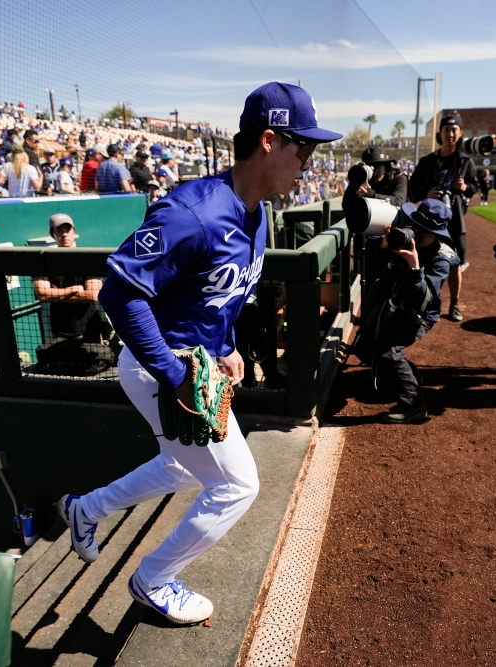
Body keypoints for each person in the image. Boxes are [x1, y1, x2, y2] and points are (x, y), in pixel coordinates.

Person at [56, 82, 341, 625]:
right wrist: (172, 375)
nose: (308, 161)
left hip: (194, 362)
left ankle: (83, 509)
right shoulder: (193, 212)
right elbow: (119, 292)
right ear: (268, 141)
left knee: (184, 468)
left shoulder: (256, 214)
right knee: (237, 484)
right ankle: (153, 579)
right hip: (155, 364)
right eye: (301, 149)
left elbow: (215, 296)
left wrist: (227, 346)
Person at [357, 200, 459, 423]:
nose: (420, 235)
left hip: (418, 314)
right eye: (418, 227)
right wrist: (384, 243)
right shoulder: (403, 236)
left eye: (428, 232)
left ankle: (414, 405)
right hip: (394, 304)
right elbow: (365, 250)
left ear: (438, 234)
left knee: (385, 350)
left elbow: (422, 300)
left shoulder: (441, 258)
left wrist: (415, 267)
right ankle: (409, 376)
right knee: (365, 349)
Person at [410, 112, 478, 322]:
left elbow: (475, 187)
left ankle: (454, 305)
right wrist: (426, 194)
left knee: (455, 264)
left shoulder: (466, 162)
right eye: (446, 129)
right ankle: (420, 303)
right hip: (428, 221)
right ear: (440, 133)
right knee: (422, 259)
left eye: (454, 129)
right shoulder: (428, 161)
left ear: (460, 133)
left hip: (455, 220)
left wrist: (466, 187)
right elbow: (412, 187)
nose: (450, 133)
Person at [32, 214, 110, 375]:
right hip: (60, 333)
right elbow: (42, 295)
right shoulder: (45, 261)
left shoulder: (87, 258)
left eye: (67, 229)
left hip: (90, 332)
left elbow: (92, 295)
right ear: (52, 234)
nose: (64, 234)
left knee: (94, 374)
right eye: (59, 230)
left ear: (74, 232)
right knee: (64, 374)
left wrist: (57, 295)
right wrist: (72, 290)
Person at [342, 145, 408, 209]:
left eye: (378, 165)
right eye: (371, 166)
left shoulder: (399, 178)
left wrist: (372, 195)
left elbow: (399, 202)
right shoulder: (366, 180)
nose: (376, 170)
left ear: (386, 166)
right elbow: (346, 206)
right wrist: (356, 180)